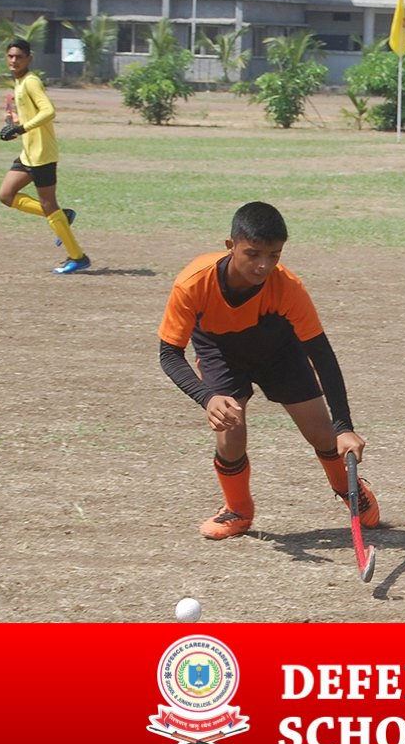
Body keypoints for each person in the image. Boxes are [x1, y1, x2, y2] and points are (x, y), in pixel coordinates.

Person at [158, 201, 380, 539]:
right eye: (253, 254)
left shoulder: (287, 286)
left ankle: (351, 492)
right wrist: (207, 398)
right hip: (220, 351)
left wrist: (344, 426)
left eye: (274, 255)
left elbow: (322, 356)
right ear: (231, 245)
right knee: (230, 434)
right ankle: (237, 509)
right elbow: (169, 354)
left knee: (322, 433)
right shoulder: (193, 282)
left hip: (278, 349)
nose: (263, 265)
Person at [0, 38, 89, 274]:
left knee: (49, 204)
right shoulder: (19, 82)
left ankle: (77, 257)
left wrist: (21, 128)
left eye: (19, 57)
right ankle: (62, 216)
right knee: (6, 195)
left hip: (42, 154)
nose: (14, 60)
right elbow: (31, 115)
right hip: (28, 153)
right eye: (10, 56)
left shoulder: (31, 81)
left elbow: (49, 111)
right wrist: (14, 124)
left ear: (29, 58)